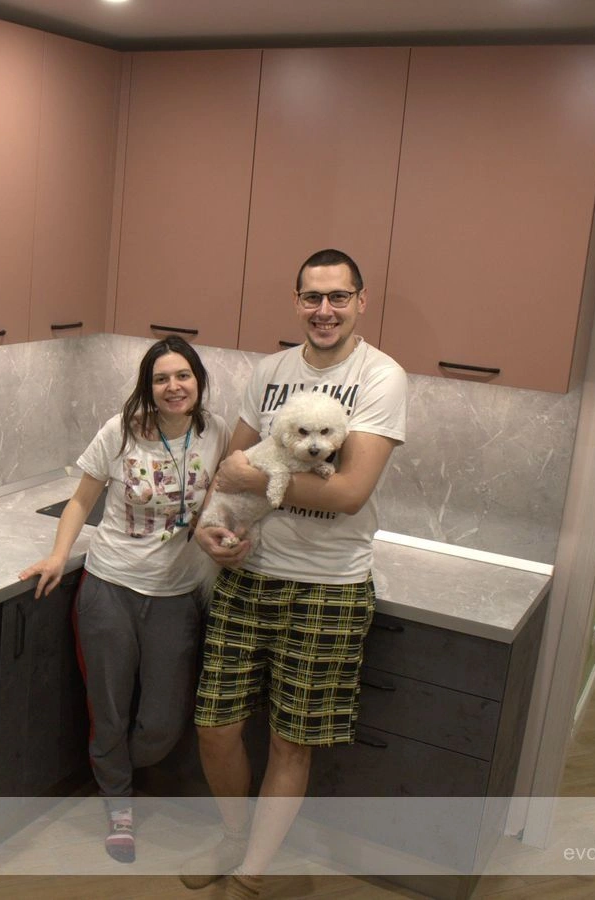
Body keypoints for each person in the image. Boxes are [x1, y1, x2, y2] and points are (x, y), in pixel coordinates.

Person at [181, 249, 407, 899]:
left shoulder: (380, 377)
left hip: (329, 585)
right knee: (214, 724)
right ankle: (233, 836)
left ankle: (251, 870)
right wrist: (206, 528)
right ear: (296, 301)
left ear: (361, 301)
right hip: (248, 572)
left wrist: (252, 478)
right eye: (312, 297)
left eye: (338, 297)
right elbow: (229, 467)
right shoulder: (269, 371)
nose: (324, 310)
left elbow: (349, 494)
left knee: (290, 740)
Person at [19, 335, 229, 864]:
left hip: (176, 595)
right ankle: (118, 802)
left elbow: (226, 498)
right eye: (161, 379)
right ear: (147, 386)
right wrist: (57, 556)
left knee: (162, 723)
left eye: (183, 376)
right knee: (108, 708)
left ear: (199, 381)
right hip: (110, 587)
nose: (173, 386)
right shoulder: (120, 431)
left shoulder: (218, 433)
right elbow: (80, 501)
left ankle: (116, 768)